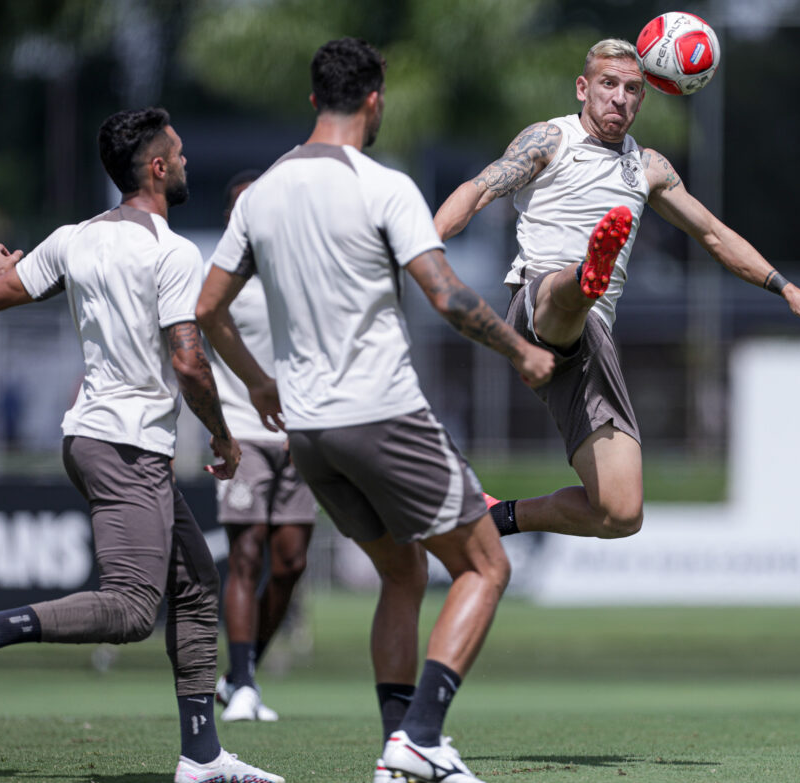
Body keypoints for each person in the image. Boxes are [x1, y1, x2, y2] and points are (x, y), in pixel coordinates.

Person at [197, 37, 554, 783]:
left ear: (311, 100)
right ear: (374, 101)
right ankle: (422, 732)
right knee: (485, 565)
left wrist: (260, 385)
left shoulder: (260, 192)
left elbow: (208, 310)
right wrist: (522, 354)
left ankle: (398, 753)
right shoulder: (382, 185)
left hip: (311, 431)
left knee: (400, 571)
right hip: (382, 413)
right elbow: (448, 295)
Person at [0, 108, 282, 783]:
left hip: (94, 436)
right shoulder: (172, 251)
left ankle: (202, 755)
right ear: (156, 168)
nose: (185, 162)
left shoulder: (75, 238)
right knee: (131, 607)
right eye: (178, 153)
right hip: (124, 442)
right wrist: (221, 431)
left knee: (193, 585)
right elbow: (189, 361)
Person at [434, 38, 800, 541]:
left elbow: (713, 234)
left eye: (632, 89)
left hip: (591, 344)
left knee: (620, 515)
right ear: (583, 88)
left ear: (643, 98)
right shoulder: (548, 140)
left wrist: (785, 287)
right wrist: (424, 243)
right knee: (570, 292)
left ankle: (493, 515)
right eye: (609, 85)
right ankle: (588, 272)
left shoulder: (649, 168)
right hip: (535, 306)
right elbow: (478, 190)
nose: (620, 98)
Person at [207, 169, 316, 723]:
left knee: (292, 561)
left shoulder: (299, 274)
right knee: (247, 554)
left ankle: (237, 678)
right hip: (244, 436)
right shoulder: (218, 280)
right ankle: (246, 680)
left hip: (299, 437)